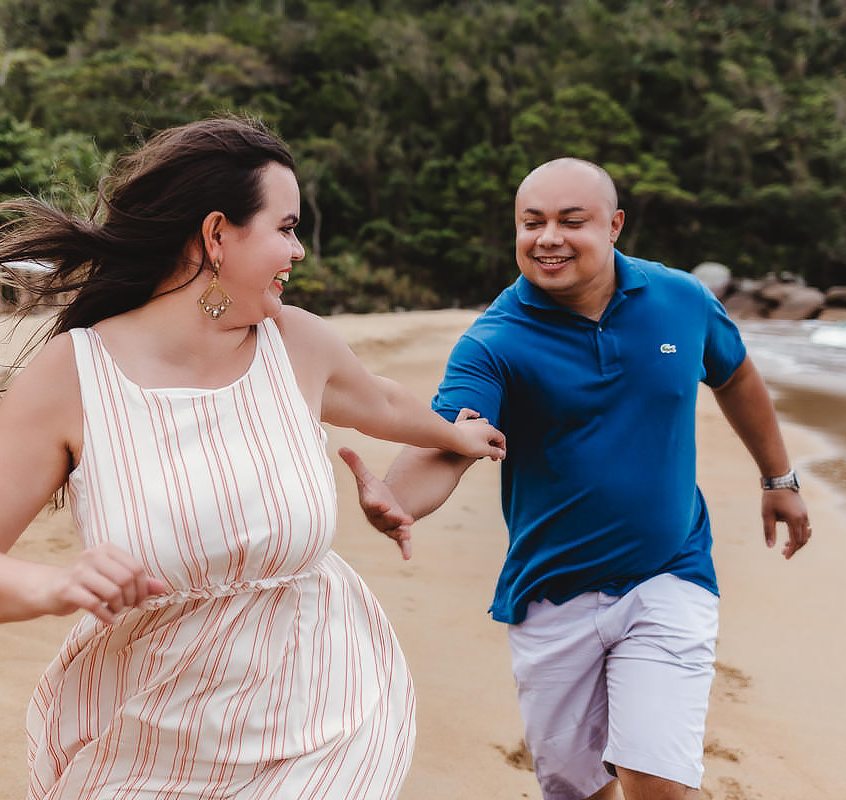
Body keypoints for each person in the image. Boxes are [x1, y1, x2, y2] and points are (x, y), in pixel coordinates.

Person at [0, 116, 506, 800]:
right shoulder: (73, 376)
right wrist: (53, 585)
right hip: (149, 737)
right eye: (286, 227)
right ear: (217, 235)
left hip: (321, 717)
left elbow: (379, 399)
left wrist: (455, 437)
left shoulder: (296, 344)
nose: (300, 250)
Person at [339, 157, 811, 800]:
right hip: (552, 594)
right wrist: (398, 500)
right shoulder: (495, 342)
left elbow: (735, 375)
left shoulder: (680, 299)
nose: (548, 238)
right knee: (577, 788)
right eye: (531, 223)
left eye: (571, 221)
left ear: (614, 225)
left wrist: (778, 478)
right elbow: (450, 440)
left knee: (657, 776)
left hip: (669, 572)